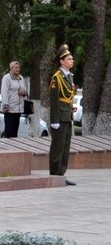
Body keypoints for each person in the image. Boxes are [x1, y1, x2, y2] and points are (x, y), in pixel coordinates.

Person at [49, 44, 77, 186]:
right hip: (59, 117)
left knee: (65, 147)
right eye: (69, 59)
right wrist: (54, 120)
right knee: (58, 147)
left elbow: (68, 98)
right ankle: (54, 175)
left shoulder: (69, 77)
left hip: (67, 116)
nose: (72, 61)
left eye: (72, 59)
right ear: (62, 61)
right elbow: (54, 101)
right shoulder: (57, 78)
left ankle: (61, 175)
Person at [0, 61, 28, 138]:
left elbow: (25, 89)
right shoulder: (7, 78)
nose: (17, 69)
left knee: (15, 130)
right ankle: (8, 147)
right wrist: (6, 105)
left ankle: (14, 146)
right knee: (9, 130)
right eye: (16, 67)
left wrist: (23, 93)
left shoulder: (21, 77)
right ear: (11, 68)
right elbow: (4, 92)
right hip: (10, 108)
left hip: (18, 108)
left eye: (19, 67)